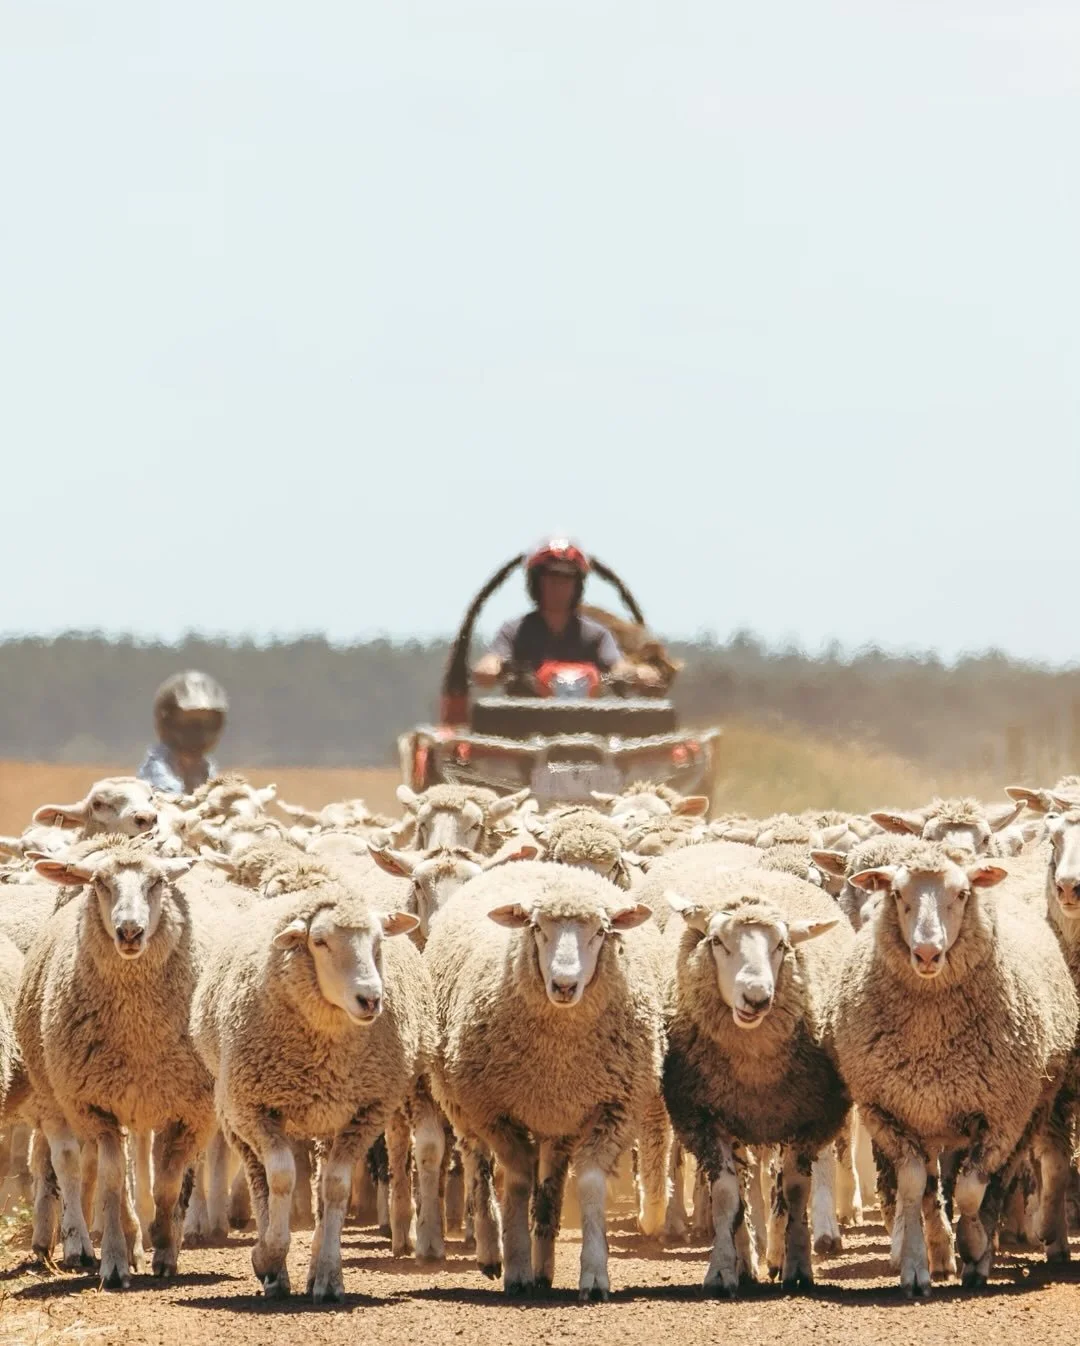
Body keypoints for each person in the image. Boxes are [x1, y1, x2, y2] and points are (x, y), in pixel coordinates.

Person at [473, 538, 660, 690]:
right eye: (551, 577)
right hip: (521, 724)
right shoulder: (514, 631)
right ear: (536, 583)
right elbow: (494, 658)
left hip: (589, 726)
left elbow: (618, 665)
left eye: (566, 579)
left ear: (577, 585)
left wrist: (638, 672)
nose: (558, 586)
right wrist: (488, 667)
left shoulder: (596, 634)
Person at [137, 670, 228, 795]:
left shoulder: (207, 769)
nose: (198, 732)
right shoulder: (155, 773)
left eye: (207, 722)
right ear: (167, 722)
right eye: (189, 722)